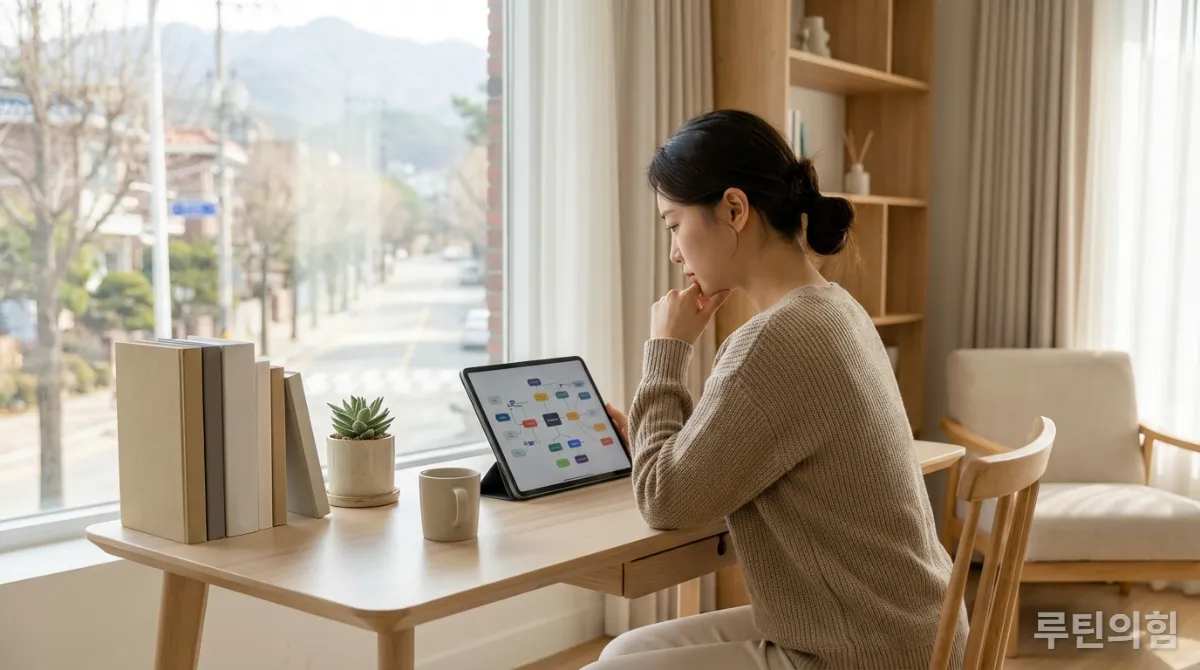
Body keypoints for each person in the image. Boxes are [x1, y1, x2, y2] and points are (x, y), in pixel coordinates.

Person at [591, 109, 967, 670]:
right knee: (624, 650)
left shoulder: (773, 341)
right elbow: (731, 455)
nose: (674, 252)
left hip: (865, 652)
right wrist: (670, 442)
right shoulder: (836, 308)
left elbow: (666, 502)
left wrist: (666, 352)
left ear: (734, 209)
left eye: (674, 224)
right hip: (913, 625)